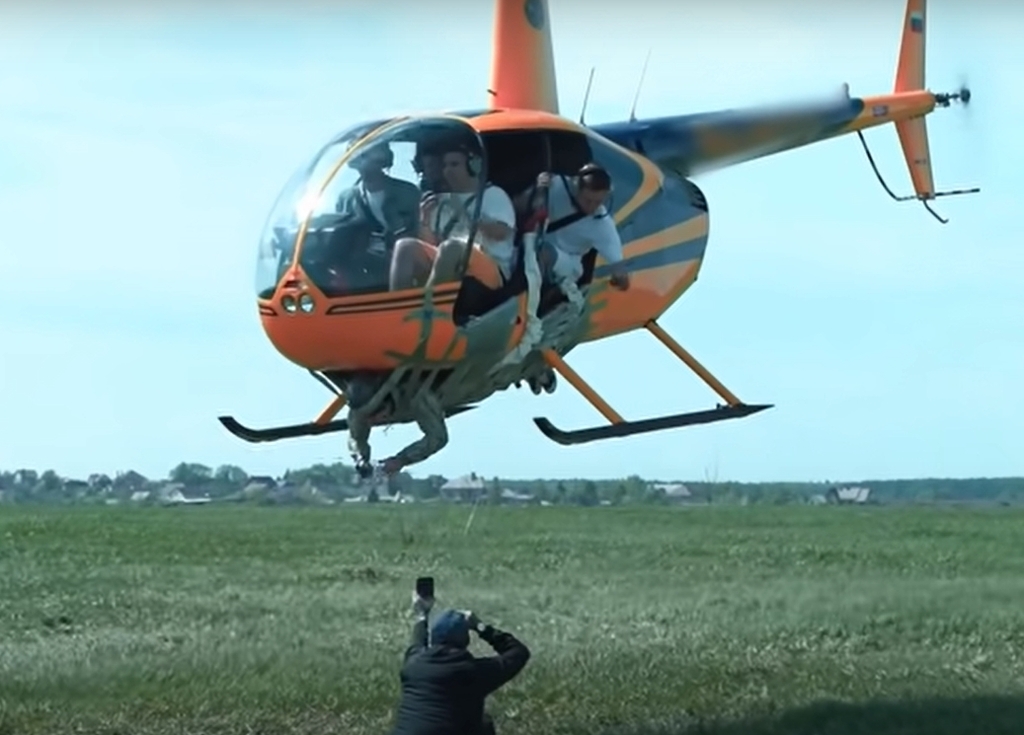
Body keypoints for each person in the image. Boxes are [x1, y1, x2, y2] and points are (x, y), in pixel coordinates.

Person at [389, 587, 531, 735]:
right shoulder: (473, 672)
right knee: (485, 725)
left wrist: (421, 613)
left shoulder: (414, 663)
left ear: (433, 639)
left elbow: (418, 641)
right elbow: (519, 652)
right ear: (465, 641)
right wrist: (480, 627)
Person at [390, 144, 518, 292]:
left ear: (473, 167)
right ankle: (398, 305)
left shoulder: (493, 195)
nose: (448, 170)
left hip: (492, 268)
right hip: (448, 262)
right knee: (405, 246)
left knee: (451, 247)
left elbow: (500, 234)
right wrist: (424, 220)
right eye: (445, 165)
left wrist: (463, 212)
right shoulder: (441, 201)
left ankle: (427, 308)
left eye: (454, 164)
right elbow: (431, 243)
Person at [346, 381, 449, 480]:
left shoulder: (416, 395)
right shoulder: (358, 409)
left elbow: (438, 437)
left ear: (386, 405)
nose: (371, 423)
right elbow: (356, 438)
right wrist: (361, 459)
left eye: (374, 417)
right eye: (366, 419)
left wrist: (401, 460)